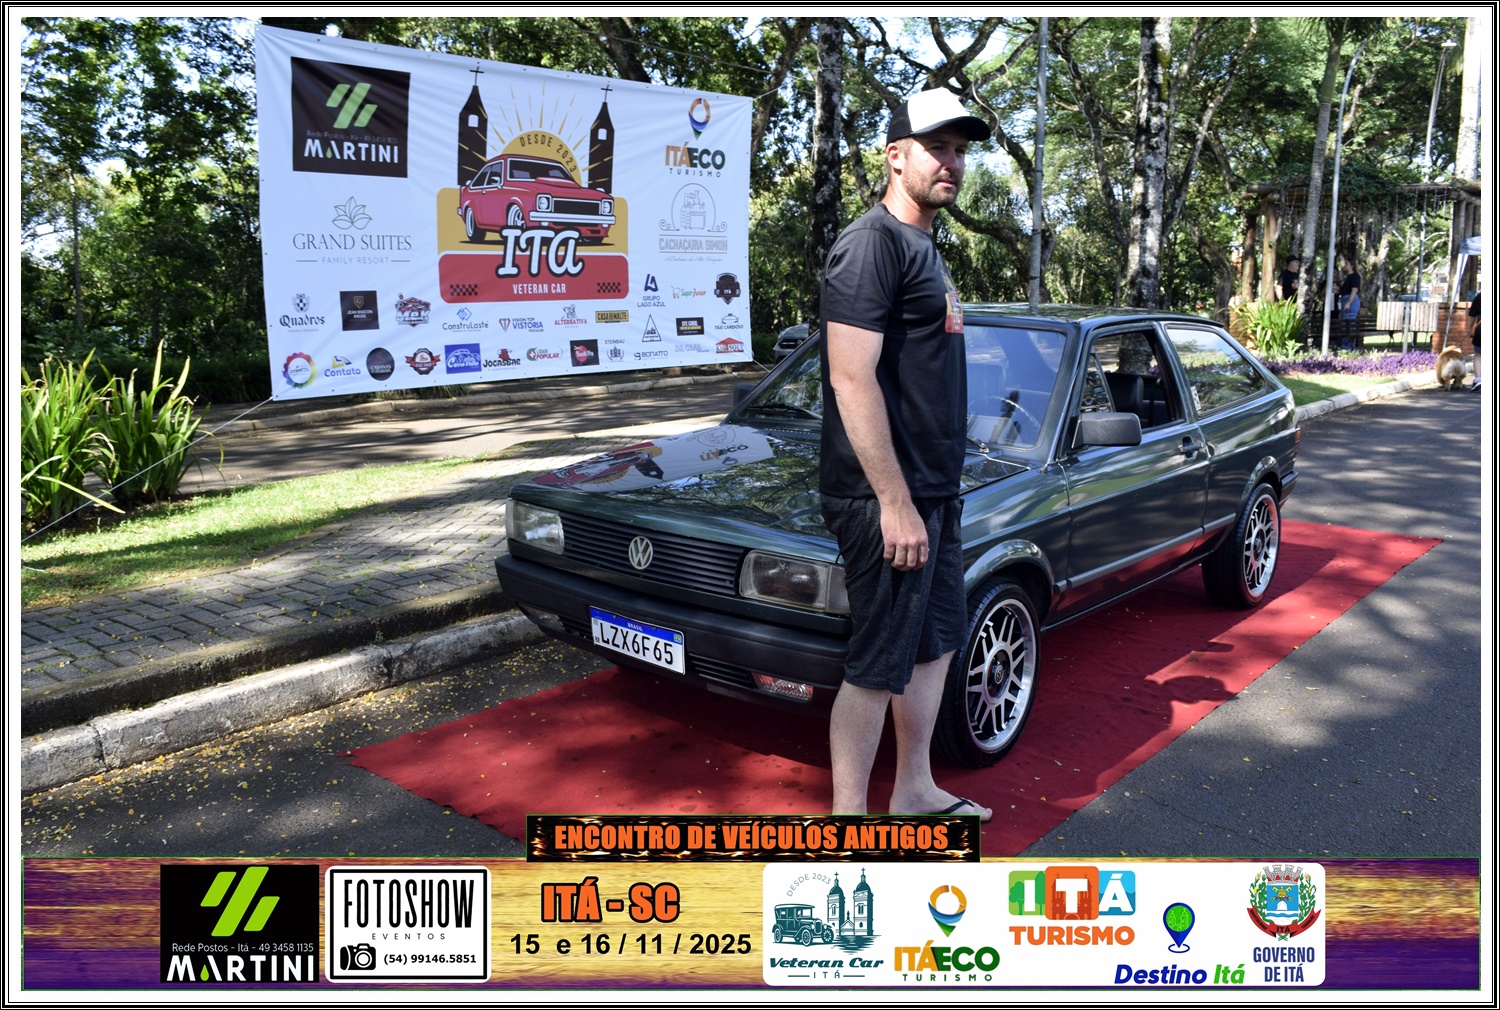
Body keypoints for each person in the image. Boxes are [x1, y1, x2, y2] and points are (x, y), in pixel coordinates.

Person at [818, 89, 992, 820]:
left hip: (934, 488)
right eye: (936, 148)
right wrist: (894, 503)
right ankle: (848, 823)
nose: (952, 162)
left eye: (960, 150)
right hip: (883, 496)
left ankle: (914, 790)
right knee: (878, 658)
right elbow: (850, 378)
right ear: (895, 156)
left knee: (935, 641)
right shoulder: (872, 244)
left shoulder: (925, 245)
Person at [1337, 258, 1362, 349]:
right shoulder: (1346, 277)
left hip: (1351, 299)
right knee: (1345, 323)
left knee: (1350, 322)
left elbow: (1354, 290)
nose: (1344, 265)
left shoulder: (1355, 276)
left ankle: (1349, 346)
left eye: (1346, 263)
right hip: (1344, 298)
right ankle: (1345, 345)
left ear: (1352, 265)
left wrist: (1349, 302)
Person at [1469, 280, 1481, 391]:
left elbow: (1472, 315)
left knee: (1478, 356)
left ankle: (1478, 379)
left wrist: (1469, 328)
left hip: (1481, 329)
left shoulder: (1480, 296)